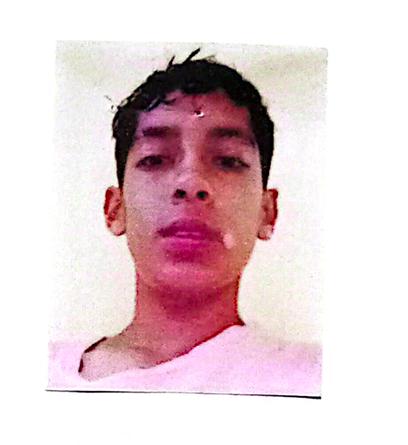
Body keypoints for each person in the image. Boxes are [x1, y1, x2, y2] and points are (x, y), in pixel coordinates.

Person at [48, 49, 321, 396]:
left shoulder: (315, 380)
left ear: (267, 212)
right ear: (115, 209)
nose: (191, 183)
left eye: (228, 161)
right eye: (155, 159)